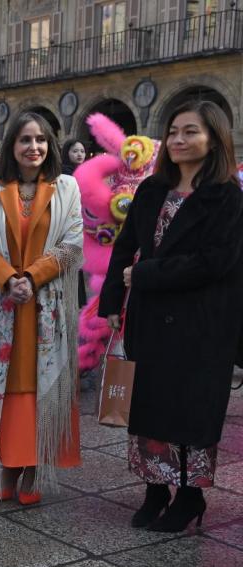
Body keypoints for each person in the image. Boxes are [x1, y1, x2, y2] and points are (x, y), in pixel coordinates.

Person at [99, 100, 243, 532]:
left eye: (191, 131)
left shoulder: (227, 197)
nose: (179, 140)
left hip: (201, 323)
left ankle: (190, 495)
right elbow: (124, 247)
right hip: (148, 316)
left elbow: (214, 262)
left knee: (190, 410)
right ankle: (154, 488)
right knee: (147, 404)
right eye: (174, 131)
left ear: (214, 138)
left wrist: (144, 274)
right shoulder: (151, 189)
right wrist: (110, 300)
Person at [0, 112, 83, 506]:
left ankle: (33, 469)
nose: (34, 147)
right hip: (2, 306)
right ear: (11, 146)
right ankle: (5, 465)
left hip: (44, 305)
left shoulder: (66, 187)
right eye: (25, 140)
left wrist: (31, 277)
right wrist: (7, 280)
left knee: (40, 386)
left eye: (41, 140)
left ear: (50, 146)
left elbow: (72, 243)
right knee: (5, 387)